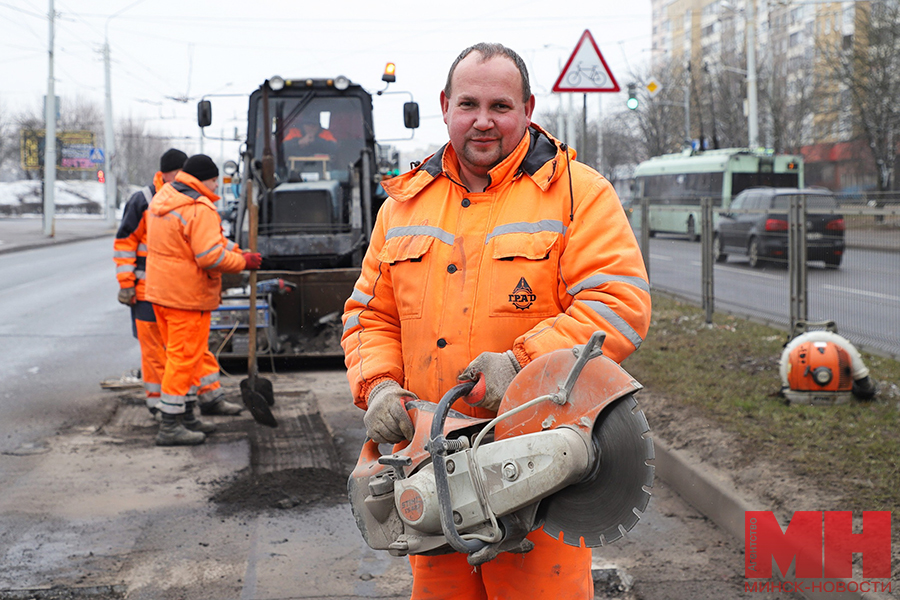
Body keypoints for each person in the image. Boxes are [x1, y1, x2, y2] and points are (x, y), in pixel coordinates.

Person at [341, 43, 651, 599]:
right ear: (444, 106)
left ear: (528, 108)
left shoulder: (579, 194)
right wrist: (380, 386)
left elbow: (618, 302)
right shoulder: (403, 207)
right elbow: (369, 315)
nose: (483, 121)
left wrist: (522, 366)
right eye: (469, 104)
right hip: (429, 471)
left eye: (501, 106)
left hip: (537, 473)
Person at [145, 154, 262, 446]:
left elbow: (208, 239)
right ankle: (170, 426)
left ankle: (186, 416)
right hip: (187, 297)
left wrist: (239, 249)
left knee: (183, 357)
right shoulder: (199, 207)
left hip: (162, 293)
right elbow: (210, 255)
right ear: (206, 179)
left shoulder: (165, 198)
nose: (216, 185)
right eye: (214, 180)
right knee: (183, 360)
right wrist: (243, 261)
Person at [114, 148, 186, 416]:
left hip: (175, 291)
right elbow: (124, 245)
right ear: (169, 173)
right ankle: (158, 402)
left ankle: (175, 401)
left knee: (176, 348)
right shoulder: (143, 200)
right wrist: (126, 284)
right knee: (154, 349)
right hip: (145, 292)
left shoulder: (185, 199)